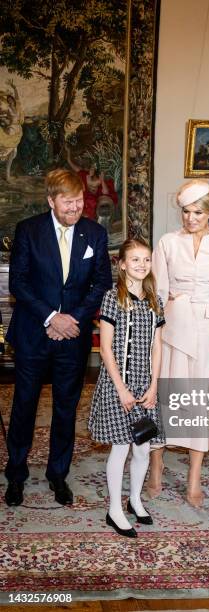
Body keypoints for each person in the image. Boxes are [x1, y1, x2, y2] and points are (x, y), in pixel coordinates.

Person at [5, 169, 112, 507]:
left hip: (73, 337)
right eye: (67, 202)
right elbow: (18, 283)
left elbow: (102, 284)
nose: (75, 207)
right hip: (34, 333)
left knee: (66, 409)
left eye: (79, 201)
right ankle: (16, 475)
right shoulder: (29, 231)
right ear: (51, 200)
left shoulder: (94, 234)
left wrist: (73, 319)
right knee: (24, 406)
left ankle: (58, 475)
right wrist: (52, 317)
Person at [149, 179, 209, 507]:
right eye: (186, 212)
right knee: (166, 396)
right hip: (174, 325)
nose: (191, 218)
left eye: (198, 212)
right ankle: (156, 465)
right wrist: (153, 334)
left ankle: (193, 477)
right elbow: (156, 294)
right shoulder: (166, 242)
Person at [88, 238, 165, 538]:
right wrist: (121, 388)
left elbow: (157, 347)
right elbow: (105, 348)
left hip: (145, 385)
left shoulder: (153, 300)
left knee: (143, 448)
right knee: (120, 448)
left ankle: (135, 499)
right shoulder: (112, 298)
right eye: (135, 260)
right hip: (118, 383)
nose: (142, 265)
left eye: (146, 259)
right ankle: (114, 509)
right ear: (121, 264)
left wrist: (155, 385)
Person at [66, 146, 118, 220]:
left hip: (96, 199)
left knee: (92, 204)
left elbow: (105, 192)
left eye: (92, 168)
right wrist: (68, 152)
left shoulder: (99, 179)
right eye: (90, 168)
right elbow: (71, 163)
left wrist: (102, 180)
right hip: (88, 200)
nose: (89, 169)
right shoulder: (83, 175)